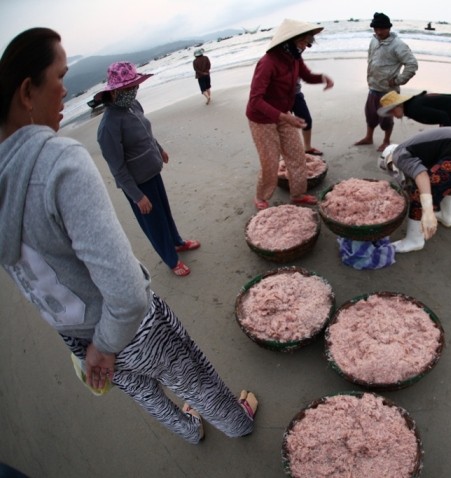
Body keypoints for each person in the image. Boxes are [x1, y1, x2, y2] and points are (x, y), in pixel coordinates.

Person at [0, 27, 257, 445]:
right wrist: (105, 344)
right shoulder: (57, 160)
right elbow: (127, 293)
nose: (66, 92)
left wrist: (89, 350)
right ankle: (237, 422)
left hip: (77, 334)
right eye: (61, 77)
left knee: (143, 392)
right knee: (191, 376)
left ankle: (190, 432)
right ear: (27, 91)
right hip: (126, 328)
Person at [96, 61, 199, 277]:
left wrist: (159, 149)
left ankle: (177, 242)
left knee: (165, 213)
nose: (134, 90)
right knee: (154, 223)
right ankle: (171, 259)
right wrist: (137, 196)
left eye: (135, 86)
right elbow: (117, 167)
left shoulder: (133, 105)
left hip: (153, 172)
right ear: (114, 92)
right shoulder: (108, 126)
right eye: (129, 88)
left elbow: (146, 133)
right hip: (137, 183)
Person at [246, 19, 334, 210]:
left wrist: (322, 78)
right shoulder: (267, 63)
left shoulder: (294, 57)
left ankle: (298, 194)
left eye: (307, 42)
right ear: (289, 40)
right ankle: (261, 196)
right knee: (270, 161)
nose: (305, 46)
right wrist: (284, 116)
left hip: (283, 114)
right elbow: (255, 100)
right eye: (302, 41)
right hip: (261, 118)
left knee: (296, 155)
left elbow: (307, 76)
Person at [378, 127, 451, 253]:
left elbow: (421, 176)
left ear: (389, 161)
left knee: (420, 190)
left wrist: (428, 210)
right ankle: (446, 216)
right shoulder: (416, 148)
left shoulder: (398, 154)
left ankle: (414, 240)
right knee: (449, 179)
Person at [378, 90, 451, 205]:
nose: (393, 115)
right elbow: (441, 114)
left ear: (399, 105)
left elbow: (443, 116)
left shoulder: (414, 109)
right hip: (450, 114)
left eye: (392, 111)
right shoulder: (410, 107)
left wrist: (449, 139)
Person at [353, 12, 418, 152]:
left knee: (386, 119)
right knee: (370, 114)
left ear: (389, 28)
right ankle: (368, 137)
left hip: (389, 91)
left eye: (382, 29)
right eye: (376, 29)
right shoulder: (374, 40)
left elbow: (412, 64)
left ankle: (386, 141)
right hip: (373, 87)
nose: (379, 32)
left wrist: (398, 80)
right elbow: (370, 58)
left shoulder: (398, 45)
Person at [292, 80, 323, 155]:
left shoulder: (297, 67)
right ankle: (283, 155)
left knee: (307, 120)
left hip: (296, 94)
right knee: (283, 126)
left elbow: (306, 75)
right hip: (279, 97)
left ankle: (307, 148)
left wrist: (321, 78)